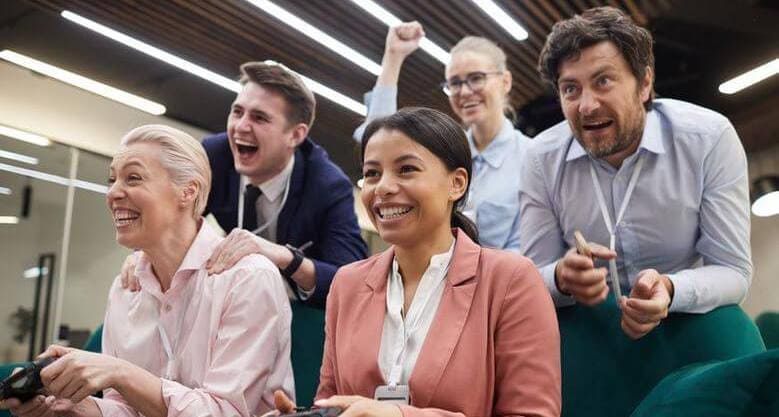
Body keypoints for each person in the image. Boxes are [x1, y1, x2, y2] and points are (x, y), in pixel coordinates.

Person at [272, 108, 561, 416]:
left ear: (457, 184)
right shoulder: (347, 284)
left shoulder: (511, 281)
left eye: (406, 169)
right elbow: (330, 401)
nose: (383, 187)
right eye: (372, 173)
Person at [1, 125, 294, 417]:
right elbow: (128, 409)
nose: (113, 192)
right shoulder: (126, 288)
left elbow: (225, 412)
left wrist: (119, 372)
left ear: (188, 191)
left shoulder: (248, 278)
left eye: (133, 178)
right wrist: (74, 409)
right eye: (112, 180)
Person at [519, 6, 752, 339]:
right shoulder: (540, 159)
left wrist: (670, 289)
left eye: (603, 81)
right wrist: (560, 277)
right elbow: (531, 280)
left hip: (687, 323)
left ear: (644, 83)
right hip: (590, 335)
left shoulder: (708, 139)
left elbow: (733, 271)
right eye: (570, 89)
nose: (587, 105)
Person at [124, 62, 368, 309]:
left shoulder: (328, 185)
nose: (240, 127)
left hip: (299, 304)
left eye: (259, 118)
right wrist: (144, 253)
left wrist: (285, 257)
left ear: (295, 135)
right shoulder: (213, 156)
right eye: (237, 112)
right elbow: (169, 214)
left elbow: (351, 279)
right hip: (234, 292)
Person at [352, 22, 529, 252]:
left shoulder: (531, 157)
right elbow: (381, 139)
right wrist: (393, 57)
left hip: (500, 274)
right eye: (454, 83)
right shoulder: (440, 152)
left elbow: (529, 248)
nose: (464, 91)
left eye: (476, 78)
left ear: (505, 81)